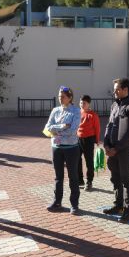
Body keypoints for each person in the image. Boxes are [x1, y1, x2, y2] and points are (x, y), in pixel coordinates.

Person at [102, 78, 129, 223]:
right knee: (115, 179)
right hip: (111, 149)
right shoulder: (114, 105)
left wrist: (116, 149)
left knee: (126, 180)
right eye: (115, 89)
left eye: (117, 89)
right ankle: (118, 206)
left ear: (126, 90)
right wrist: (106, 144)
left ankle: (128, 210)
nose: (115, 91)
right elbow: (109, 125)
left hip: (123, 150)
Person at [45, 86, 82, 215]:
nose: (60, 98)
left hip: (71, 148)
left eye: (63, 96)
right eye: (59, 96)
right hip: (57, 148)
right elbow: (48, 127)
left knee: (73, 177)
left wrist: (57, 130)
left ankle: (74, 205)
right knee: (58, 177)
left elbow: (73, 130)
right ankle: (57, 202)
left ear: (70, 98)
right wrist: (62, 126)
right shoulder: (55, 110)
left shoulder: (76, 111)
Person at [77, 95, 101, 192]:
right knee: (77, 160)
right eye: (81, 103)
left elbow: (97, 128)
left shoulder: (92, 115)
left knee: (89, 162)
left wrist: (97, 140)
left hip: (89, 140)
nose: (82, 105)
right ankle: (80, 180)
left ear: (88, 104)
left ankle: (89, 181)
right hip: (78, 139)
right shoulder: (78, 113)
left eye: (84, 103)